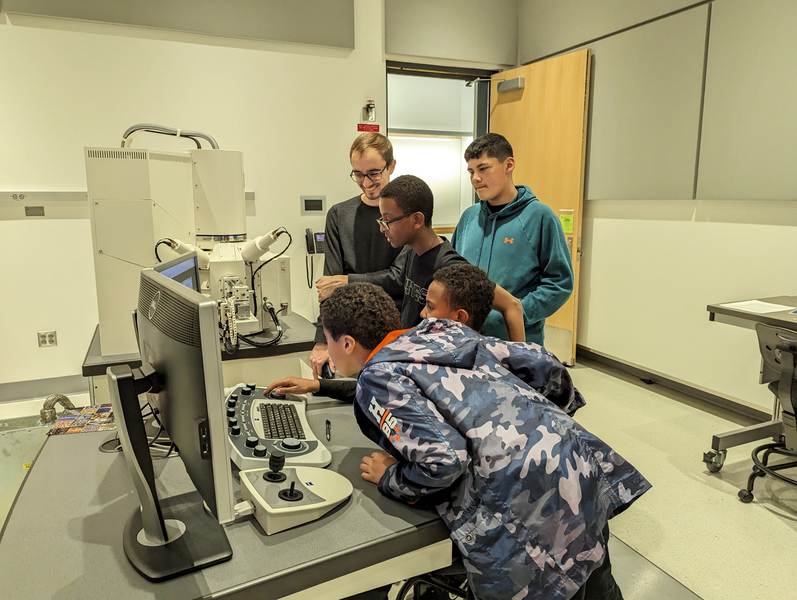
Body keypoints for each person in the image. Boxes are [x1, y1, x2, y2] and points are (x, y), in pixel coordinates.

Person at [315, 281, 650, 600]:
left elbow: (445, 461)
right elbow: (543, 363)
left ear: (346, 343)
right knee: (595, 581)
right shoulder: (441, 329)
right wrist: (544, 428)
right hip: (579, 469)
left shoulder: (376, 376)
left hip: (530, 512)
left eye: (328, 341)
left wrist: (390, 476)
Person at [316, 174, 525, 339]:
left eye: (388, 220)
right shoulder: (410, 252)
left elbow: (512, 305)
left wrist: (520, 367)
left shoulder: (450, 265)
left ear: (417, 220)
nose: (382, 228)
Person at [451, 132, 574, 345]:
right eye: (471, 171)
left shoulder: (540, 217)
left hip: (514, 344)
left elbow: (559, 282)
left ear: (509, 165)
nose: (475, 178)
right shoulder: (469, 218)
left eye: (483, 168)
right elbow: (451, 273)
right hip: (465, 341)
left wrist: (515, 314)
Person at [309, 132, 403, 378]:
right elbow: (329, 287)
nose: (366, 182)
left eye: (374, 173)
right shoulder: (339, 215)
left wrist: (346, 281)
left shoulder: (406, 215)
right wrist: (323, 339)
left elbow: (398, 279)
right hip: (350, 338)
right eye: (358, 174)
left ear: (391, 166)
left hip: (396, 334)